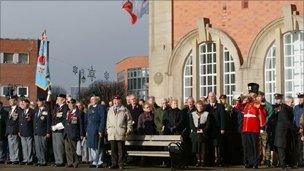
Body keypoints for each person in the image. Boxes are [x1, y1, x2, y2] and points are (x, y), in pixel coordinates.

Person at [235, 83, 266, 169]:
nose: (250, 96)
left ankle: (255, 163)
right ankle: (247, 162)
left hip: (254, 128)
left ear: (255, 95)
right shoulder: (246, 104)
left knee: (254, 147)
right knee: (246, 147)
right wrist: (240, 100)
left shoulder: (257, 103)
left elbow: (262, 114)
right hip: (245, 128)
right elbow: (238, 108)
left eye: (252, 94)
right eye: (250, 94)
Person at [107, 95, 132, 169]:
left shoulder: (124, 109)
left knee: (121, 149)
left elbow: (129, 120)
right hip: (112, 132)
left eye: (117, 100)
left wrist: (128, 130)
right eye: (114, 100)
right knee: (113, 149)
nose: (116, 101)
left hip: (120, 131)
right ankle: (114, 163)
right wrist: (108, 129)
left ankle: (121, 163)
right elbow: (107, 121)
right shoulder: (110, 109)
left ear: (120, 101)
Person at [274, 96, 297, 169]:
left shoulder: (286, 108)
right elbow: (287, 122)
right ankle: (283, 165)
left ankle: (287, 164)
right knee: (282, 150)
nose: (293, 103)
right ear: (289, 102)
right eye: (292, 102)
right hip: (281, 134)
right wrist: (296, 129)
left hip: (285, 134)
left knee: (285, 149)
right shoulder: (284, 109)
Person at [189, 100, 214, 167]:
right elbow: (191, 124)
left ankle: (203, 161)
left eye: (201, 106)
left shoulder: (207, 113)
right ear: (196, 106)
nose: (200, 107)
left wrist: (203, 130)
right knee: (196, 148)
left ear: (203, 107)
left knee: (203, 149)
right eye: (198, 106)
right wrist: (196, 130)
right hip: (195, 133)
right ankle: (198, 161)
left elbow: (208, 124)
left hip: (203, 133)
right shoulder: (192, 114)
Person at [206, 92, 226, 166]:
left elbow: (223, 118)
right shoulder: (206, 107)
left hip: (218, 129)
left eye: (213, 96)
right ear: (208, 97)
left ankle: (218, 160)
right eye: (210, 96)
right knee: (210, 145)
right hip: (209, 129)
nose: (211, 97)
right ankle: (211, 161)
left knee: (218, 145)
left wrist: (223, 128)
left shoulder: (220, 106)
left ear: (215, 97)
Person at [86, 96, 107, 168]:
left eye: (94, 99)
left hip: (97, 129)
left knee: (98, 146)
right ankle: (94, 161)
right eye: (91, 99)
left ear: (97, 100)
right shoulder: (90, 108)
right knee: (92, 146)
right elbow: (87, 120)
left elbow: (102, 119)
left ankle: (100, 161)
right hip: (90, 130)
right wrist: (87, 130)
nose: (92, 100)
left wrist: (101, 130)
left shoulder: (100, 107)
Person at [64, 98, 84, 168]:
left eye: (72, 103)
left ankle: (76, 162)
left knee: (73, 149)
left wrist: (81, 134)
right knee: (67, 149)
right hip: (67, 133)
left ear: (75, 104)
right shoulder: (68, 112)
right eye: (69, 103)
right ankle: (70, 162)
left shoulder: (79, 112)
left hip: (74, 133)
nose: (70, 104)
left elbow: (81, 124)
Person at [51, 94, 68, 167]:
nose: (57, 100)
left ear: (63, 100)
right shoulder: (57, 108)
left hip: (60, 130)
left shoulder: (65, 107)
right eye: (57, 98)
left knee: (59, 146)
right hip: (54, 130)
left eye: (59, 98)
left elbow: (65, 120)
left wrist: (57, 127)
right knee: (55, 146)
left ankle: (60, 161)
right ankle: (57, 160)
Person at [257, 91, 274, 167]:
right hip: (256, 128)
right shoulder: (255, 105)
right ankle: (259, 159)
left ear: (263, 96)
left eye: (259, 96)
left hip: (265, 128)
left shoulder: (268, 106)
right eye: (257, 96)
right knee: (258, 144)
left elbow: (270, 116)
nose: (258, 98)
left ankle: (267, 160)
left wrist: (264, 123)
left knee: (266, 144)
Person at [33, 97, 51, 166]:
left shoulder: (46, 110)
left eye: (39, 101)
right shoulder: (36, 110)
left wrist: (48, 132)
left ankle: (43, 161)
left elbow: (48, 122)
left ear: (43, 102)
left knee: (42, 147)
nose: (38, 103)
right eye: (37, 101)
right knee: (37, 147)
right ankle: (39, 160)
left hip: (43, 132)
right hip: (36, 131)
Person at [18, 98, 35, 165]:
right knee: (24, 147)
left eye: (24, 103)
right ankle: (25, 159)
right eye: (22, 103)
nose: (23, 104)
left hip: (29, 131)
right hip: (22, 131)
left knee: (29, 146)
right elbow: (20, 122)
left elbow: (33, 122)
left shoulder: (32, 111)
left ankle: (30, 160)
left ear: (28, 103)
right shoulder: (22, 111)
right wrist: (19, 130)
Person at [6, 95, 21, 165]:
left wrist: (18, 130)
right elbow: (8, 120)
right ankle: (12, 158)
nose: (10, 101)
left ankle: (16, 158)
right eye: (10, 100)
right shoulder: (9, 109)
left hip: (15, 130)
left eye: (11, 100)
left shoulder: (18, 109)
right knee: (11, 145)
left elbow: (17, 121)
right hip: (9, 130)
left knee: (15, 145)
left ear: (15, 101)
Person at [294, 93, 304, 167]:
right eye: (299, 98)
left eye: (302, 98)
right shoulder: (296, 107)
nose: (300, 99)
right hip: (297, 130)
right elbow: (294, 119)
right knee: (299, 147)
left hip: (303, 130)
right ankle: (299, 162)